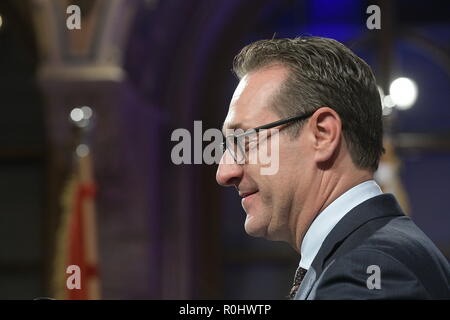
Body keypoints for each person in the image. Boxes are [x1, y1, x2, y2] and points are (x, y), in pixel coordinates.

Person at [216, 37, 450, 299]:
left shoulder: (366, 270)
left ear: (323, 134)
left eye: (243, 140)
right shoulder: (367, 255)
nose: (225, 173)